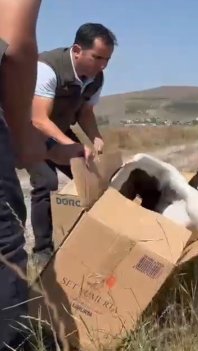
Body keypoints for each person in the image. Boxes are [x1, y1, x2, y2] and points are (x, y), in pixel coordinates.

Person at [0, 1, 91, 347]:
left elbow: (85, 112)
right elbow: (15, 44)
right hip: (37, 132)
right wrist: (23, 139)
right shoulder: (50, 69)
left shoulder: (92, 80)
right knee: (4, 249)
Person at [27, 22, 116, 267]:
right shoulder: (47, 68)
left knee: (92, 176)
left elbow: (85, 112)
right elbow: (39, 119)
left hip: (59, 128)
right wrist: (69, 145)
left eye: (107, 59)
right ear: (77, 50)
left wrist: (95, 137)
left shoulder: (97, 78)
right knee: (46, 182)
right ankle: (42, 251)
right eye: (97, 57)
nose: (102, 65)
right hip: (27, 129)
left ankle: (92, 238)